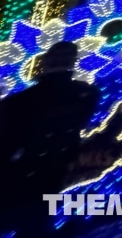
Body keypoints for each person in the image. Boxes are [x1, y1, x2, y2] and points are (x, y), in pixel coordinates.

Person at [0, 41, 99, 237]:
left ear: (44, 63)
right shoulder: (88, 94)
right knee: (38, 221)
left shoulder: (20, 102)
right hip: (54, 170)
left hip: (18, 176)